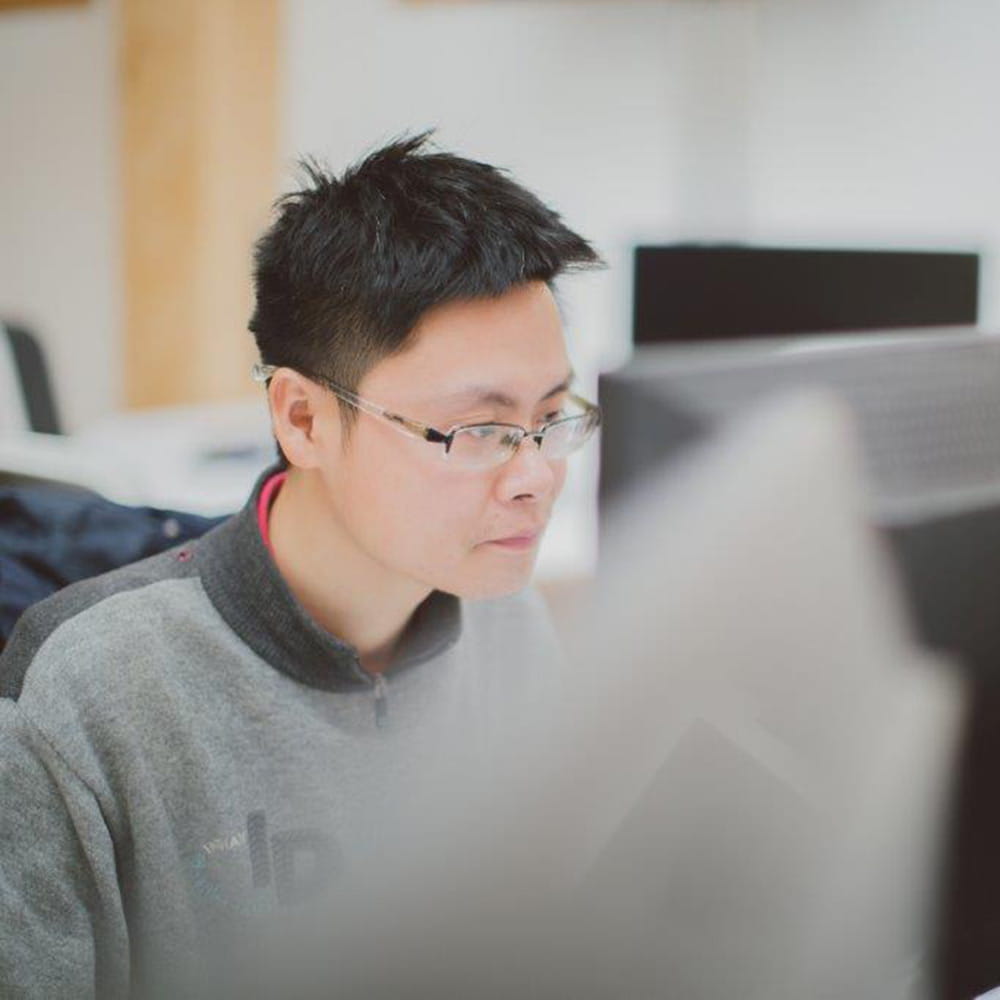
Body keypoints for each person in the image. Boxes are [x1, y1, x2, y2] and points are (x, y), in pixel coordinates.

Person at [0, 133, 603, 997]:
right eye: (479, 431)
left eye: (552, 417)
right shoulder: (90, 692)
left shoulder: (512, 629)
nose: (537, 476)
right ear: (304, 420)